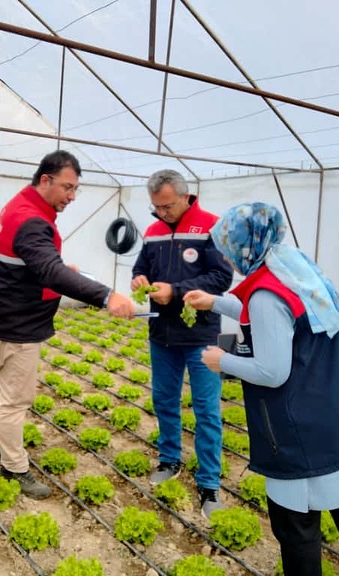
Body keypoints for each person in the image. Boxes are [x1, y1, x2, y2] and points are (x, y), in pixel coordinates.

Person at [185, 202, 339, 576]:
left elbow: (271, 372)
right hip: (337, 416)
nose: (226, 258)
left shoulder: (266, 297)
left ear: (244, 247)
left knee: (296, 526)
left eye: (227, 249)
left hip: (301, 432)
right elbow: (259, 308)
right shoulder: (294, 268)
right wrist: (215, 301)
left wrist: (219, 360)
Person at [0, 150, 135, 499]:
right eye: (67, 187)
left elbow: (34, 264)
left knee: (5, 387)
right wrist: (108, 296)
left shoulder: (20, 205)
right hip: (15, 326)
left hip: (2, 318)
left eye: (75, 189)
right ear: (45, 180)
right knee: (16, 400)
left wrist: (59, 270)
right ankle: (13, 467)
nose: (72, 196)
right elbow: (48, 270)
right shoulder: (32, 219)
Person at [130, 169, 233, 519]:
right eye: (157, 207)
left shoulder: (210, 226)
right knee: (164, 400)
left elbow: (221, 277)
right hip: (163, 333)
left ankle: (208, 482)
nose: (162, 214)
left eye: (168, 206)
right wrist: (139, 279)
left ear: (186, 197)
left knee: (206, 409)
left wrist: (175, 290)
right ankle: (169, 459)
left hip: (201, 334)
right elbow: (139, 268)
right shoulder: (154, 230)